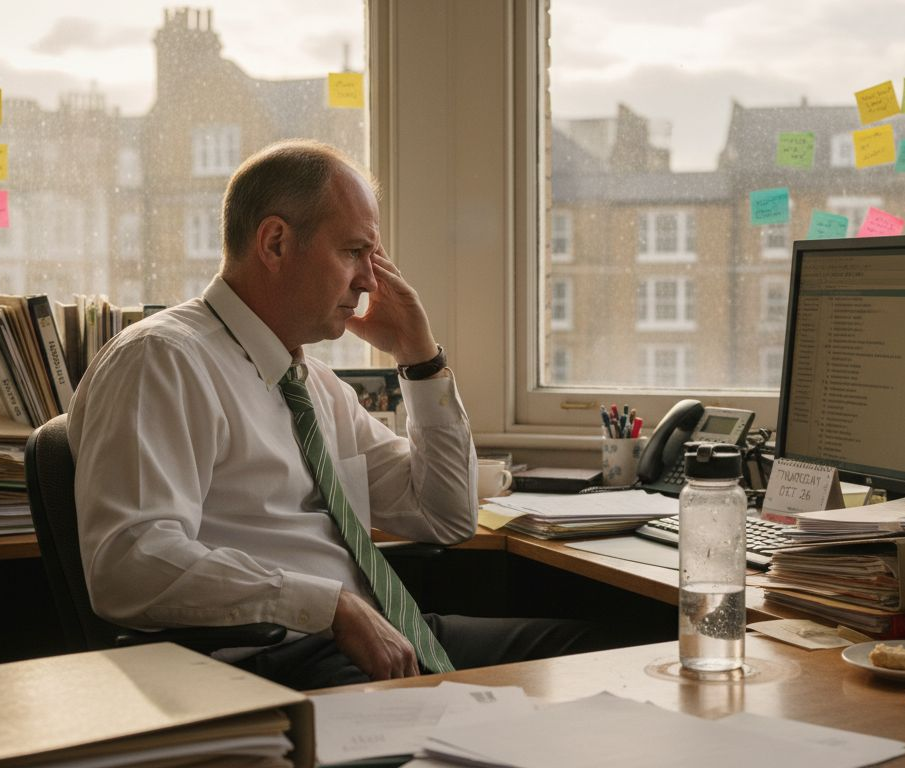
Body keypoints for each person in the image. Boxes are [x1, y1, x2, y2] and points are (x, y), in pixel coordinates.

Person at [68, 139, 618, 689]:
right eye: (354, 252)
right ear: (276, 242)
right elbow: (130, 563)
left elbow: (445, 517)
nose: (370, 282)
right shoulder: (162, 359)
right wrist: (328, 606)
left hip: (366, 634)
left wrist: (419, 359)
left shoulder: (316, 387)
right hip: (272, 662)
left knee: (598, 653)